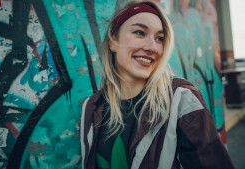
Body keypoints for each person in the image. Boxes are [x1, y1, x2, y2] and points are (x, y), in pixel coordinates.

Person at [80, 0, 234, 169]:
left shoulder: (181, 100)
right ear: (113, 42)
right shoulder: (91, 107)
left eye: (159, 38)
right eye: (139, 32)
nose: (152, 47)